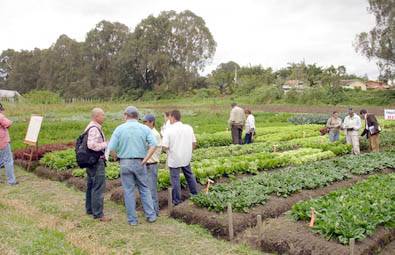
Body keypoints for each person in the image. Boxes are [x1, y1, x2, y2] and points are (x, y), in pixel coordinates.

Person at [107, 106, 157, 225]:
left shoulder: (119, 129)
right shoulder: (144, 128)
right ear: (137, 116)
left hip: (124, 162)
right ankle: (151, 216)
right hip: (140, 161)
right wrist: (146, 159)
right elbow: (153, 145)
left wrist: (116, 156)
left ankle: (132, 220)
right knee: (144, 189)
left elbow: (111, 147)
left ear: (126, 115)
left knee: (128, 191)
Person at [162, 110, 198, 206]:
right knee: (189, 175)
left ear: (173, 117)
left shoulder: (168, 130)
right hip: (186, 157)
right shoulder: (188, 127)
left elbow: (165, 146)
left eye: (169, 117)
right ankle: (195, 194)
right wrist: (188, 151)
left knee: (175, 179)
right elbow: (194, 143)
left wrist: (168, 149)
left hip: (174, 158)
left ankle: (177, 200)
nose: (169, 119)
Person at [84, 108, 110, 222]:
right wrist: (105, 144)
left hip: (90, 161)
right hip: (96, 161)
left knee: (91, 185)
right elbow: (91, 145)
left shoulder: (90, 127)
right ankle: (98, 214)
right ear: (96, 117)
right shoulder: (94, 129)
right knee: (98, 187)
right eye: (102, 115)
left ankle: (90, 209)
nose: (104, 117)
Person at [142, 114, 161, 216]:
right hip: (148, 165)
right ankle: (151, 211)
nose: (144, 124)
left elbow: (146, 147)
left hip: (151, 164)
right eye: (143, 122)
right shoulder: (149, 133)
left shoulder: (153, 134)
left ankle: (154, 212)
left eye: (145, 122)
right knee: (148, 189)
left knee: (151, 190)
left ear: (151, 122)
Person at [0, 103, 17, 185]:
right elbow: (8, 124)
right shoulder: (0, 116)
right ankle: (11, 181)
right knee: (8, 161)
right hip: (2, 141)